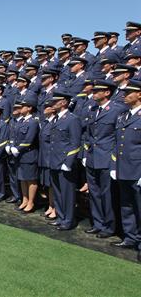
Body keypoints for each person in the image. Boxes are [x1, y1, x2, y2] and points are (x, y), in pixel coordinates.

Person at [83, 79, 124, 238]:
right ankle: (97, 223)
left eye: (97, 91)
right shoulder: (93, 109)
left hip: (107, 157)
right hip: (92, 156)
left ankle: (109, 226)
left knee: (107, 194)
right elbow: (88, 134)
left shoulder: (116, 109)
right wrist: (85, 154)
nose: (94, 93)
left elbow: (117, 136)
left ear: (107, 92)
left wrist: (114, 159)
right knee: (94, 193)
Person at [110, 79, 141, 262]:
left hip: (137, 169)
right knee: (127, 205)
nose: (124, 95)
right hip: (123, 168)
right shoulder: (123, 116)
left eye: (129, 92)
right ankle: (130, 237)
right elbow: (117, 144)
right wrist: (114, 166)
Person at [48, 90, 82, 231]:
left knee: (67, 194)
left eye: (55, 102)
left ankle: (68, 220)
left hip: (64, 162)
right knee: (57, 192)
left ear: (64, 102)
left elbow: (75, 143)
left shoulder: (72, 119)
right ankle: (60, 217)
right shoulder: (56, 118)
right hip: (54, 160)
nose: (52, 104)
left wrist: (68, 162)